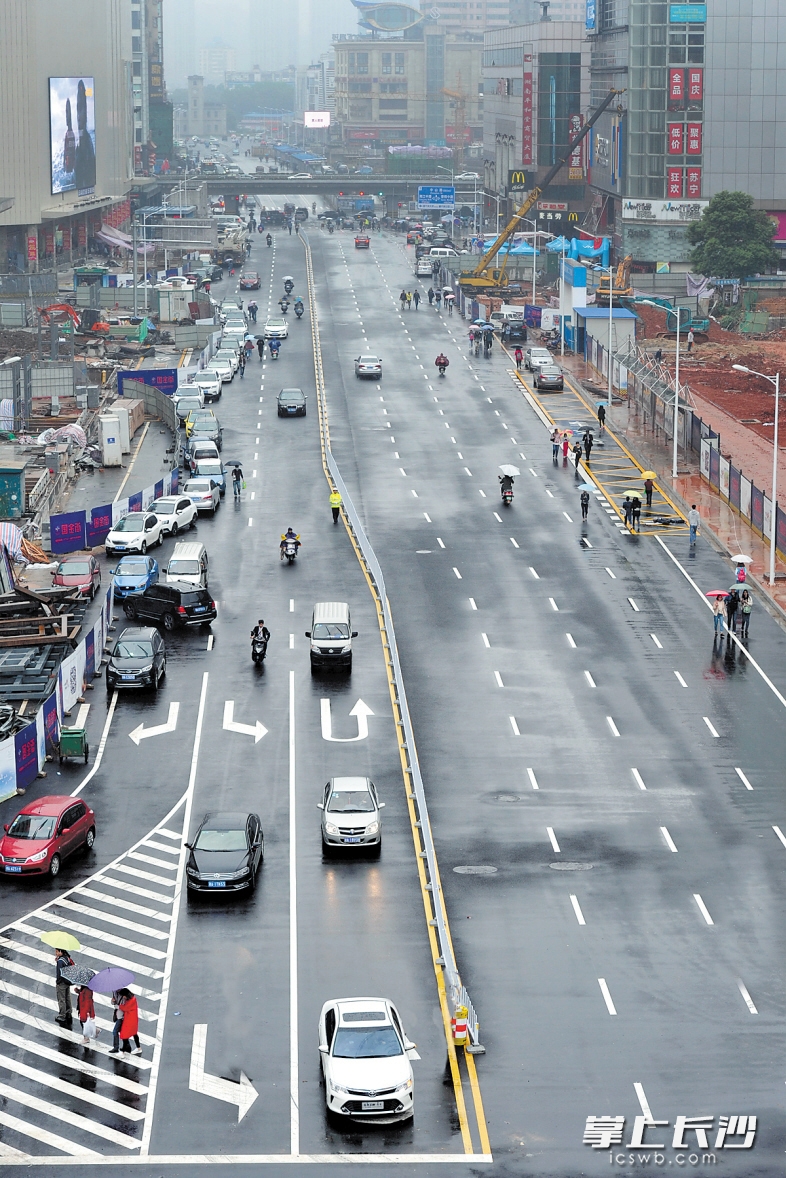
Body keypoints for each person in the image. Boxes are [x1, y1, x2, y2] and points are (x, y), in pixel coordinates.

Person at [117, 989, 141, 1055]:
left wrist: (119, 1006)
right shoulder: (133, 999)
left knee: (125, 1034)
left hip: (130, 1020)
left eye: (123, 996)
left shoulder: (131, 1001)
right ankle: (138, 1048)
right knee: (134, 1033)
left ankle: (122, 1051)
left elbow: (126, 1008)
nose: (123, 997)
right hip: (132, 1019)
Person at [54, 948, 75, 1026]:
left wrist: (58, 982)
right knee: (67, 997)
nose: (55, 953)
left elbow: (59, 973)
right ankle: (68, 1012)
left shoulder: (60, 961)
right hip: (67, 981)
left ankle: (62, 1015)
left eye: (56, 951)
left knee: (61, 999)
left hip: (62, 983)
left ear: (60, 951)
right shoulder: (66, 958)